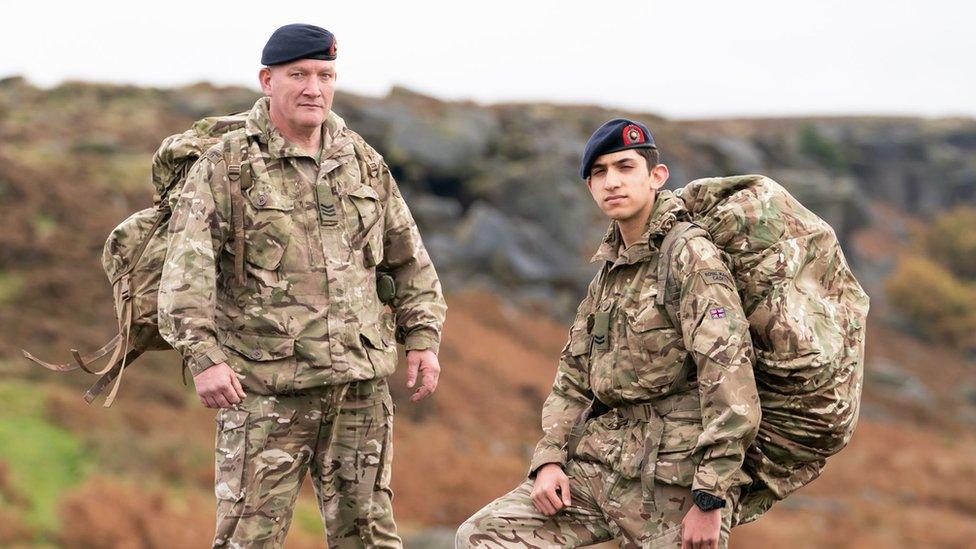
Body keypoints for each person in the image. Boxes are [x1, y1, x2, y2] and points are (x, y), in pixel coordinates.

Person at [158, 23, 446, 548]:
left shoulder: (362, 161)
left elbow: (411, 263)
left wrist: (423, 340)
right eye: (299, 75)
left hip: (359, 391)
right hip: (266, 395)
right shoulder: (225, 166)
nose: (314, 87)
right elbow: (185, 276)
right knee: (248, 540)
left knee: (371, 538)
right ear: (267, 81)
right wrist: (203, 357)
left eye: (325, 75)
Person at [456, 119, 760, 549]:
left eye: (624, 167)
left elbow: (729, 379)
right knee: (481, 538)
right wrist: (549, 460)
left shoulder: (691, 258)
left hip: (671, 484)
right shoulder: (609, 273)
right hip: (600, 467)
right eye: (599, 172)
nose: (611, 181)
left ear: (656, 176)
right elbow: (573, 377)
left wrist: (711, 498)